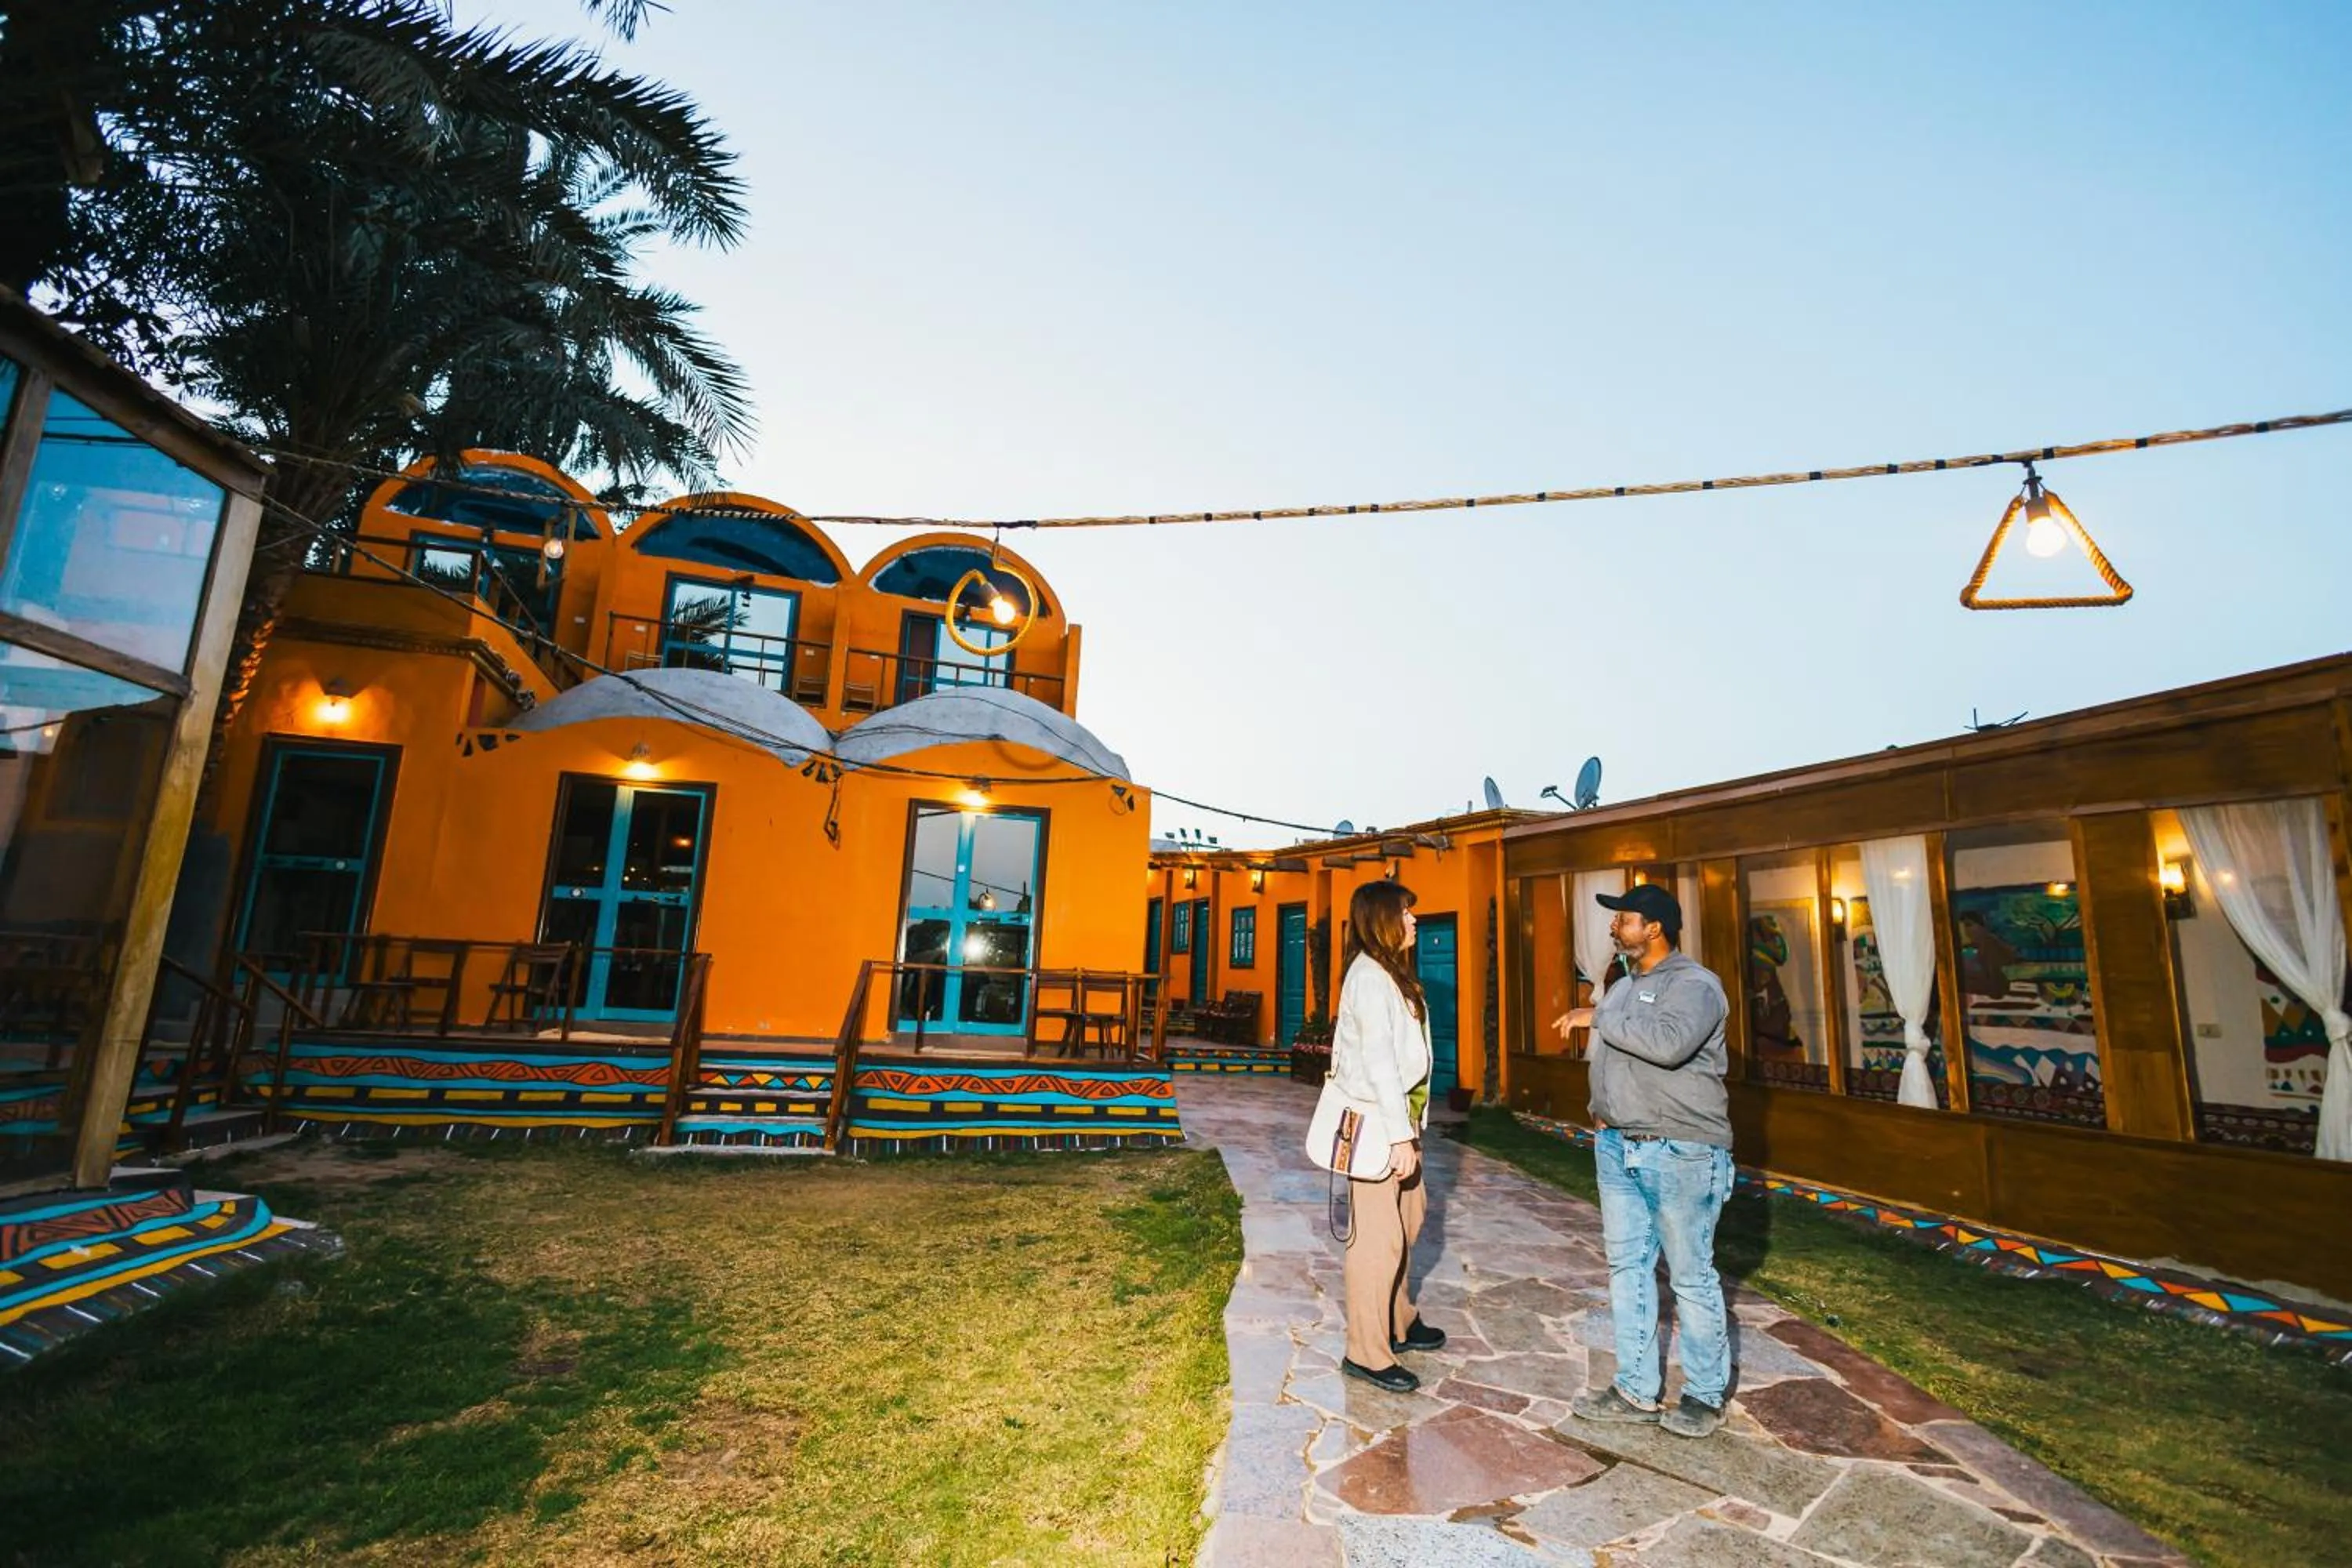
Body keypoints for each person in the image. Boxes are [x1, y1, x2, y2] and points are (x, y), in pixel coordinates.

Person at [1551, 881, 1733, 1439]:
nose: (1614, 927)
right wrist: (1600, 1105)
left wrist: (1597, 1017)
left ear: (1654, 928)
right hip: (1618, 1146)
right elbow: (1617, 1056)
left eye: (1624, 919)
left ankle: (1704, 1395)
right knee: (1628, 1271)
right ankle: (1635, 1389)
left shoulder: (1696, 985)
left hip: (1680, 1150)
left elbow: (1670, 1044)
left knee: (1690, 1276)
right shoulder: (1624, 987)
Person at [1305, 880, 1446, 1392]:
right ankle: (1366, 1350)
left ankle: (1397, 1321)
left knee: (1410, 1218)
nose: (1414, 920)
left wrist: (1409, 1130)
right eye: (1406, 912)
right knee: (1377, 1241)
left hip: (1399, 1123)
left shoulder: (1391, 974)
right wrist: (1397, 1139)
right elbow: (1382, 1066)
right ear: (1382, 919)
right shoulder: (1368, 978)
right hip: (1374, 1128)